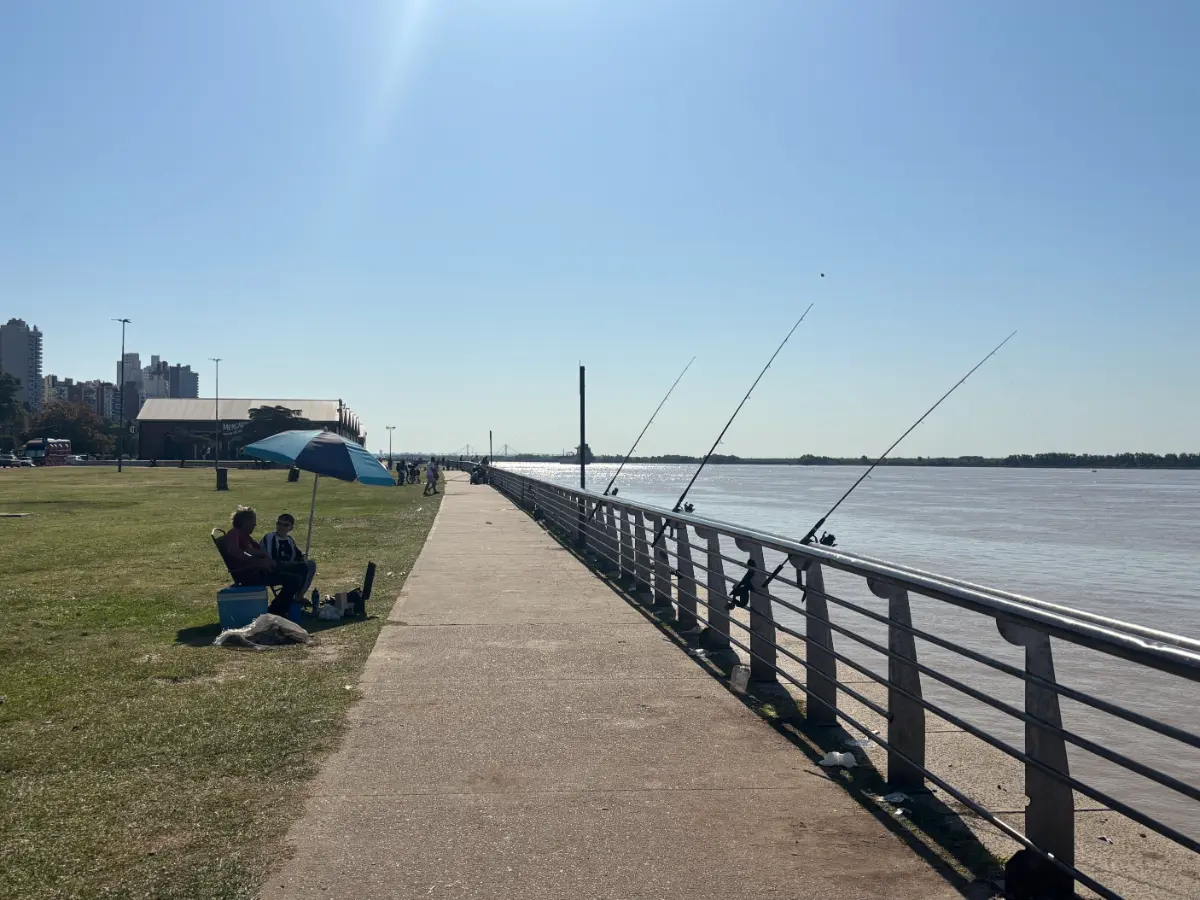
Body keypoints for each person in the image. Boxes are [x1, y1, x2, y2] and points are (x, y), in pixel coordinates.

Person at [222, 506, 306, 615]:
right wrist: (256, 560)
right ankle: (275, 610)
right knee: (295, 579)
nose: (255, 525)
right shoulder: (234, 533)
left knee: (302, 567)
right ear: (246, 522)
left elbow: (260, 551)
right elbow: (234, 551)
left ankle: (285, 605)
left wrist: (258, 555)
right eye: (253, 522)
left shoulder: (245, 535)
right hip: (253, 574)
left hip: (262, 569)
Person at [261, 512, 317, 598]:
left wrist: (303, 557)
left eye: (285, 525)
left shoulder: (290, 540)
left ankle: (299, 594)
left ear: (291, 528)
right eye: (279, 523)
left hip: (288, 567)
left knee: (310, 564)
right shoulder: (269, 538)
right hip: (274, 568)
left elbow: (297, 555)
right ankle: (297, 597)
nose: (281, 527)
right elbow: (270, 557)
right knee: (302, 567)